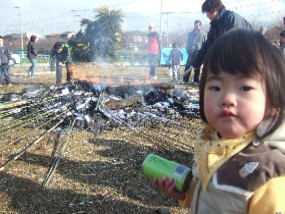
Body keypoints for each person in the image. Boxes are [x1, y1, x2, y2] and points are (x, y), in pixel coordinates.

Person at [152, 29, 285, 213]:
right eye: (215, 87)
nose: (227, 98)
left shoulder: (269, 176)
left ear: (274, 102)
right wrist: (186, 194)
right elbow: (213, 196)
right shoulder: (212, 145)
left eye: (245, 87)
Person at [188, 0, 252, 73]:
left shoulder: (231, 18)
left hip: (245, 59)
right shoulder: (215, 24)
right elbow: (208, 45)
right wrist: (196, 63)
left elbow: (235, 45)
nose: (207, 15)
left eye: (207, 12)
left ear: (213, 10)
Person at [183, 20, 206, 84]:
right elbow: (188, 43)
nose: (196, 27)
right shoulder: (190, 34)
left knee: (197, 67)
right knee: (188, 66)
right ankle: (185, 80)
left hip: (198, 53)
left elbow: (205, 44)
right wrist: (187, 50)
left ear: (200, 26)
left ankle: (196, 80)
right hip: (190, 53)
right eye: (195, 25)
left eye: (197, 25)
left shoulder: (203, 34)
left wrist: (202, 53)